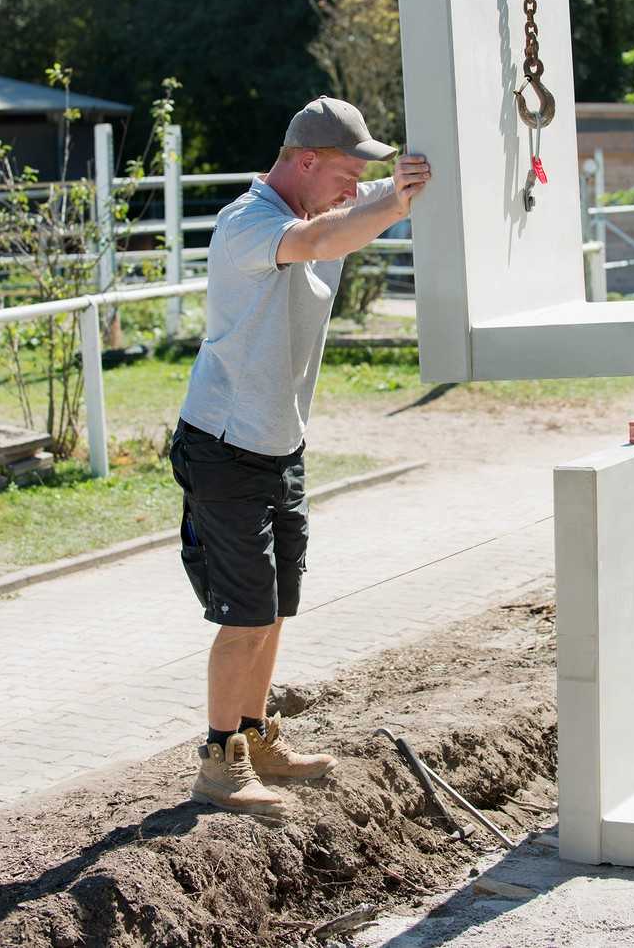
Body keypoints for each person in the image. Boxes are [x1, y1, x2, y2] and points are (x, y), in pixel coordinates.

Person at [170, 96, 431, 817]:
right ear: (304, 161)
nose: (354, 188)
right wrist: (384, 204)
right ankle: (220, 763)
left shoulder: (323, 205)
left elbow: (356, 211)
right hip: (224, 448)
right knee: (245, 612)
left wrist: (405, 182)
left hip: (279, 445)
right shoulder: (247, 225)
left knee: (277, 603)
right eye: (345, 173)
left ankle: (254, 739)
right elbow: (325, 241)